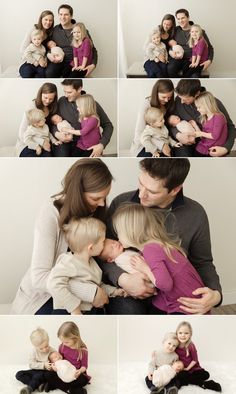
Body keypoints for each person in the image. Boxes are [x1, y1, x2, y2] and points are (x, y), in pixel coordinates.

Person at [101, 158, 222, 315]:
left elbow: (203, 262)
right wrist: (123, 279)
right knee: (130, 313)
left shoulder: (195, 214)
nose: (141, 195)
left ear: (175, 190)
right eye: (140, 183)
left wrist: (215, 294)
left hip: (173, 293)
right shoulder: (122, 203)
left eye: (151, 191)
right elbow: (101, 252)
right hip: (129, 289)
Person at [10, 159, 113, 315]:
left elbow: (100, 258)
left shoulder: (96, 211)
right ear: (78, 193)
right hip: (43, 295)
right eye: (95, 198)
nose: (102, 203)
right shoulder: (50, 213)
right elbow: (39, 277)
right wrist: (89, 291)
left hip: (88, 287)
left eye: (105, 197)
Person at [112, 203, 208, 315]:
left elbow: (165, 284)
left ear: (131, 232)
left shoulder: (151, 250)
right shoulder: (154, 246)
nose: (118, 237)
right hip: (171, 298)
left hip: (187, 305)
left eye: (119, 232)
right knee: (154, 307)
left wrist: (145, 268)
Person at [47, 217, 124, 314]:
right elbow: (53, 284)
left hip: (89, 310)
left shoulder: (92, 263)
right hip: (66, 311)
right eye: (103, 242)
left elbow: (97, 285)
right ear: (91, 248)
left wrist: (113, 291)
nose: (105, 244)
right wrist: (74, 309)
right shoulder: (68, 262)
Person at [169, 79, 235, 157]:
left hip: (211, 143)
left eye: (186, 99)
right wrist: (178, 135)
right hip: (187, 140)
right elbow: (170, 122)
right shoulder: (178, 100)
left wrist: (226, 148)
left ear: (197, 93)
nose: (182, 102)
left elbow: (230, 126)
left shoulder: (213, 103)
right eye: (180, 98)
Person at [51, 79, 113, 157]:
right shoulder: (62, 101)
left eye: (69, 92)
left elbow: (108, 125)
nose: (66, 95)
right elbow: (54, 121)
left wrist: (101, 145)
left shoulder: (92, 104)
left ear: (79, 89)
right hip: (66, 140)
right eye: (65, 92)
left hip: (87, 143)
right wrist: (57, 133)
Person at [164, 321, 222, 393]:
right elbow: (168, 350)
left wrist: (188, 368)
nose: (183, 335)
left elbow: (195, 360)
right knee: (181, 376)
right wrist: (156, 352)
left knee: (206, 374)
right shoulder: (175, 345)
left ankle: (185, 381)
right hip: (182, 370)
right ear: (177, 333)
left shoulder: (190, 345)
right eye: (180, 333)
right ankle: (203, 383)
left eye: (186, 333)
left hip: (194, 369)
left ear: (190, 334)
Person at [45, 4, 97, 78]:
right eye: (60, 14)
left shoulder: (81, 30)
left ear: (71, 16)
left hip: (78, 62)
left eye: (66, 14)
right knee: (49, 73)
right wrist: (48, 54)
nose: (63, 17)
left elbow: (93, 49)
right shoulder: (54, 30)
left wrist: (93, 65)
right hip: (59, 61)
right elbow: (47, 46)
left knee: (72, 78)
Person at [130, 79, 175, 157]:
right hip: (144, 144)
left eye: (169, 97)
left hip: (163, 139)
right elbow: (140, 133)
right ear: (156, 93)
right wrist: (162, 145)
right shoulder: (146, 104)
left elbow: (166, 129)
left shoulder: (168, 104)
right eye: (163, 97)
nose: (167, 100)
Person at [43, 322, 90, 394]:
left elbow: (84, 366)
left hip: (75, 374)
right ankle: (71, 390)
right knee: (47, 374)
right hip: (63, 372)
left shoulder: (82, 350)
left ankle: (55, 385)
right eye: (62, 341)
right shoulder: (62, 347)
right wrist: (55, 367)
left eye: (66, 342)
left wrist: (80, 371)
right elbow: (59, 361)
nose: (64, 343)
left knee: (83, 380)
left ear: (75, 338)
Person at [16, 83, 59, 157]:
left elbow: (49, 131)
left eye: (51, 99)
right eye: (45, 98)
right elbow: (22, 133)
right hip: (28, 142)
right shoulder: (31, 107)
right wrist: (42, 142)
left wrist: (55, 138)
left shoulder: (52, 107)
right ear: (40, 94)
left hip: (45, 143)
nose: (48, 101)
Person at [167, 9, 213, 77]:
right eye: (178, 19)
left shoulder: (198, 31)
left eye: (183, 18)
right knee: (170, 69)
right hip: (178, 58)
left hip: (193, 59)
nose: (180, 21)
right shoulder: (175, 30)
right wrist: (171, 52)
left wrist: (209, 61)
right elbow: (170, 44)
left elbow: (210, 48)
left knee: (194, 76)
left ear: (188, 18)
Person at [15, 328, 55, 394]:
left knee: (38, 376)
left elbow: (57, 361)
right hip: (35, 370)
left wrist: (51, 365)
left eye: (46, 346)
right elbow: (31, 364)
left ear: (48, 341)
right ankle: (39, 385)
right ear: (35, 346)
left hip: (45, 372)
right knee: (19, 374)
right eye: (41, 348)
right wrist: (43, 365)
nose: (45, 350)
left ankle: (30, 388)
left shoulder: (52, 350)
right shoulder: (34, 351)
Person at [193, 91, 228, 156]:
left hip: (213, 148)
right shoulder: (205, 118)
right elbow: (203, 136)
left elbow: (215, 136)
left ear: (207, 105)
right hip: (204, 145)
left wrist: (200, 133)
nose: (197, 109)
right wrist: (195, 126)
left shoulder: (218, 117)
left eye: (199, 107)